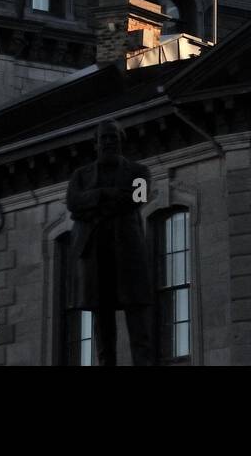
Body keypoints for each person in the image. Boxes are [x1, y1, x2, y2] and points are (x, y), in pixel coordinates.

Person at [65, 121, 154, 365]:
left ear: (121, 140)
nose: (109, 142)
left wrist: (92, 204)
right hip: (95, 253)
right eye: (104, 138)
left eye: (113, 137)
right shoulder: (80, 175)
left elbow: (138, 197)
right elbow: (73, 202)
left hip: (128, 253)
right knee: (102, 322)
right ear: (95, 143)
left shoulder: (138, 171)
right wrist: (106, 194)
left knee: (138, 318)